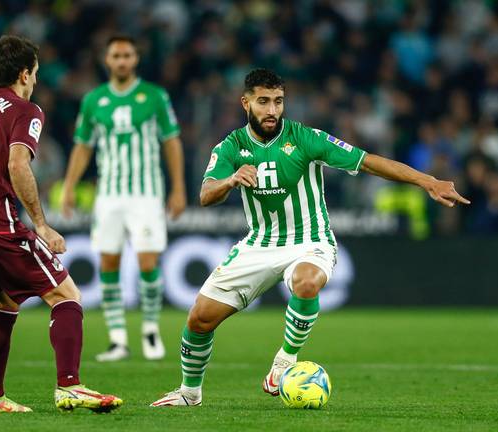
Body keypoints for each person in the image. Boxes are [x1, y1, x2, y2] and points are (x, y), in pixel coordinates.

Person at [151, 68, 469, 407]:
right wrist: (230, 181)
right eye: (263, 102)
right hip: (259, 243)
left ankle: (284, 362)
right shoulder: (230, 147)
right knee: (199, 319)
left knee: (306, 282)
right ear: (246, 103)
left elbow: (368, 162)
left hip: (310, 241)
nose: (272, 110)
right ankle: (189, 393)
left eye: (278, 101)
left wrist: (428, 181)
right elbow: (205, 194)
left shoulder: (305, 138)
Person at [0, 35, 122, 414]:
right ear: (25, 73)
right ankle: (70, 386)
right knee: (66, 296)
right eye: (36, 73)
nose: (35, 81)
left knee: (6, 299)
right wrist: (42, 226)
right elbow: (17, 164)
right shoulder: (24, 109)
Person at [61, 35, 186, 362]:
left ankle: (150, 330)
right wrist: (71, 185)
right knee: (108, 263)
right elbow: (83, 146)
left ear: (136, 59)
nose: (121, 61)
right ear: (107, 59)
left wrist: (178, 188)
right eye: (116, 55)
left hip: (146, 193)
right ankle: (118, 339)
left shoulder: (155, 97)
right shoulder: (93, 100)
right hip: (109, 195)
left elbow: (171, 142)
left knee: (148, 262)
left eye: (127, 55)